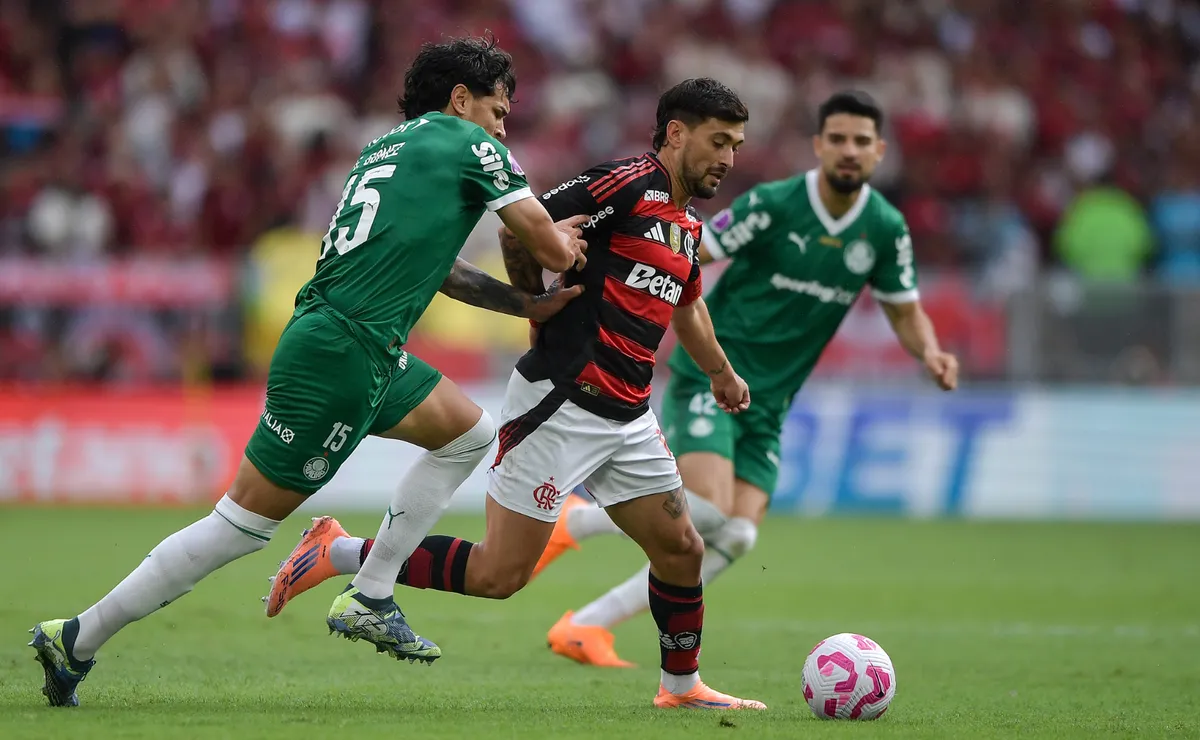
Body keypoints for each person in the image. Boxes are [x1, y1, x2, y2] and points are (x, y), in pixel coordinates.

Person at [28, 35, 588, 708]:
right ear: (461, 99)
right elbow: (549, 241)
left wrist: (522, 303)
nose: (504, 124)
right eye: (499, 108)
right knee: (239, 525)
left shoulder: (388, 151)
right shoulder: (471, 145)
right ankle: (78, 637)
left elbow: (437, 268)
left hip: (360, 343)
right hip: (342, 351)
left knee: (468, 434)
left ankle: (372, 592)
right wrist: (578, 241)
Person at [267, 78, 768, 710]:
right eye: (718, 141)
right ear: (675, 133)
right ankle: (336, 551)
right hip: (561, 401)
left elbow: (689, 307)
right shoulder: (622, 184)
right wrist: (536, 305)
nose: (728, 157)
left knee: (682, 548)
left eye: (737, 145)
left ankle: (681, 687)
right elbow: (519, 231)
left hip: (629, 415)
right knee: (499, 575)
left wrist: (721, 373)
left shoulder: (685, 225)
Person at [533, 90, 961, 666]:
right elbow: (690, 251)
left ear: (879, 151)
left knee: (736, 536)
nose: (849, 151)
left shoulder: (884, 229)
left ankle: (584, 626)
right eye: (837, 139)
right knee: (704, 510)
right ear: (818, 146)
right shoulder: (776, 204)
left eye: (861, 141)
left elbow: (905, 311)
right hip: (713, 376)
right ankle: (580, 519)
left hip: (771, 401)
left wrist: (931, 353)